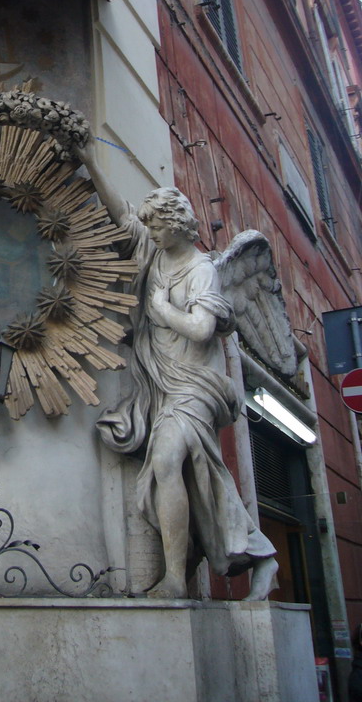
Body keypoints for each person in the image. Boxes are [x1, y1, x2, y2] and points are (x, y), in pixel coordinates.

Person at [78, 140, 277, 600]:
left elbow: (203, 328)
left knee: (168, 463)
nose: (147, 231)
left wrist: (163, 310)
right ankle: (258, 555)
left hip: (196, 386)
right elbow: (121, 217)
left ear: (175, 224)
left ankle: (173, 578)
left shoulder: (201, 269)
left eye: (155, 225)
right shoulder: (156, 252)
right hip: (162, 383)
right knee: (200, 477)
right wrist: (89, 159)